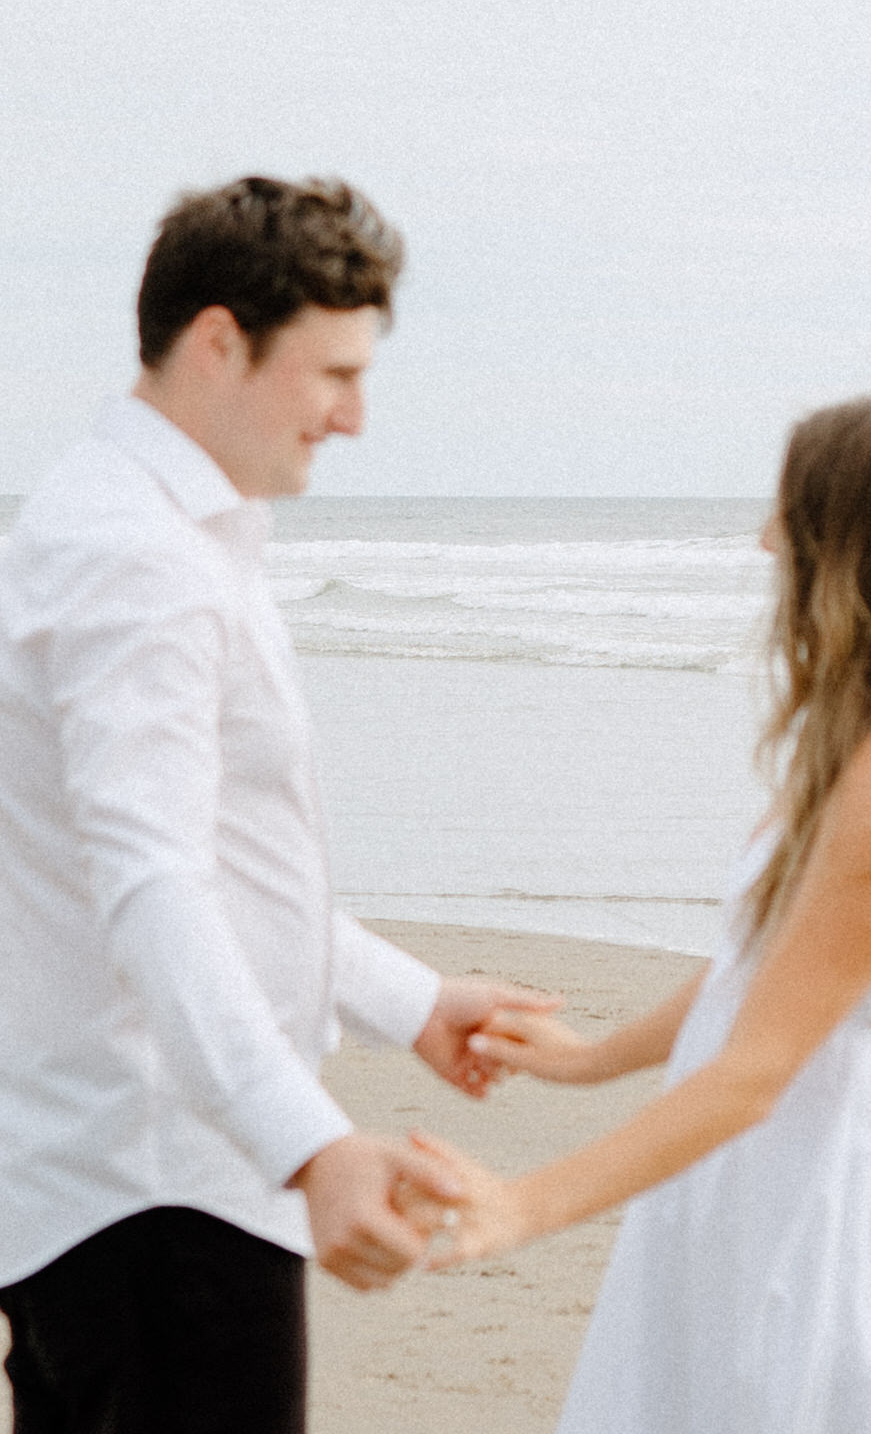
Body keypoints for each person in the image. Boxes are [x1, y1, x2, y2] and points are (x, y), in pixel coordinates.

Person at [0, 174, 557, 1434]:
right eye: (333, 374)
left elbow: (214, 870)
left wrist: (408, 1002)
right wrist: (311, 1145)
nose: (356, 417)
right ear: (217, 341)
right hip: (160, 1190)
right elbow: (152, 886)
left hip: (112, 1185)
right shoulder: (137, 563)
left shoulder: (139, 526)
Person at [413, 392, 871, 1431]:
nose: (764, 539)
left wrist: (521, 1206)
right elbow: (768, 965)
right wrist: (586, 1058)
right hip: (757, 1183)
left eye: (790, 513)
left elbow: (758, 1070)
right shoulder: (865, 731)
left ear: (858, 544)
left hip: (835, 1202)